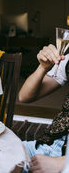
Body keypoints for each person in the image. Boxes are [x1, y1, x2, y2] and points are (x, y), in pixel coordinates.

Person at [19, 44, 69, 172]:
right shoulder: (67, 60)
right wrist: (43, 67)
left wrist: (62, 164)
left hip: (63, 160)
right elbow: (24, 96)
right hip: (51, 144)